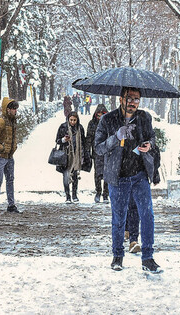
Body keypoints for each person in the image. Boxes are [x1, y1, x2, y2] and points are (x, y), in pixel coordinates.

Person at [95, 86, 162, 273]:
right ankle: (117, 256)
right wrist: (116, 136)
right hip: (118, 177)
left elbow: (153, 139)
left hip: (140, 175)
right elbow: (98, 148)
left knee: (147, 215)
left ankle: (147, 257)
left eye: (136, 99)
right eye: (129, 98)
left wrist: (149, 145)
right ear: (121, 99)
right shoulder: (108, 120)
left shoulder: (144, 118)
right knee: (119, 218)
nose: (133, 102)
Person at [0, 97, 22, 217]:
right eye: (13, 108)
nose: (15, 111)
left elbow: (12, 136)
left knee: (10, 180)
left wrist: (13, 146)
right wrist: (1, 148)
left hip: (9, 155)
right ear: (7, 109)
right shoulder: (1, 121)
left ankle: (11, 205)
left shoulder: (12, 120)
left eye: (15, 108)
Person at [55, 111, 91, 203]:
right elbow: (57, 140)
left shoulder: (80, 128)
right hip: (66, 155)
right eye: (71, 120)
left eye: (75, 120)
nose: (73, 122)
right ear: (68, 119)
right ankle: (68, 196)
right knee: (66, 175)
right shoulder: (63, 127)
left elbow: (83, 141)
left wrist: (84, 153)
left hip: (77, 155)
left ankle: (74, 195)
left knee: (75, 175)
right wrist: (64, 140)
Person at [86, 104, 109, 203]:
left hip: (107, 151)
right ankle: (98, 191)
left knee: (107, 173)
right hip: (97, 152)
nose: (100, 117)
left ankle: (106, 194)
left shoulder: (109, 123)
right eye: (98, 115)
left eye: (102, 115)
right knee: (98, 173)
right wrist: (87, 150)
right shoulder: (92, 123)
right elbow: (89, 137)